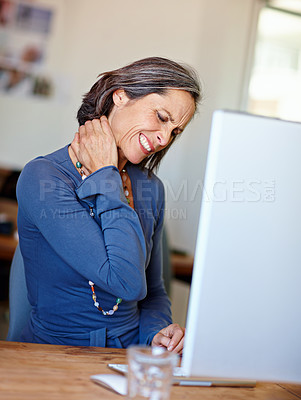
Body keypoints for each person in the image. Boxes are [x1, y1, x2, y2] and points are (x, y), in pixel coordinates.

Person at [16, 57, 201, 352]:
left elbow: (152, 291)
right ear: (121, 95)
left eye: (175, 132)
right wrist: (106, 175)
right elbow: (126, 282)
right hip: (52, 354)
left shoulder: (151, 188)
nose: (164, 138)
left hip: (129, 355)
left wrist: (155, 333)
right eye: (162, 118)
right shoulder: (44, 178)